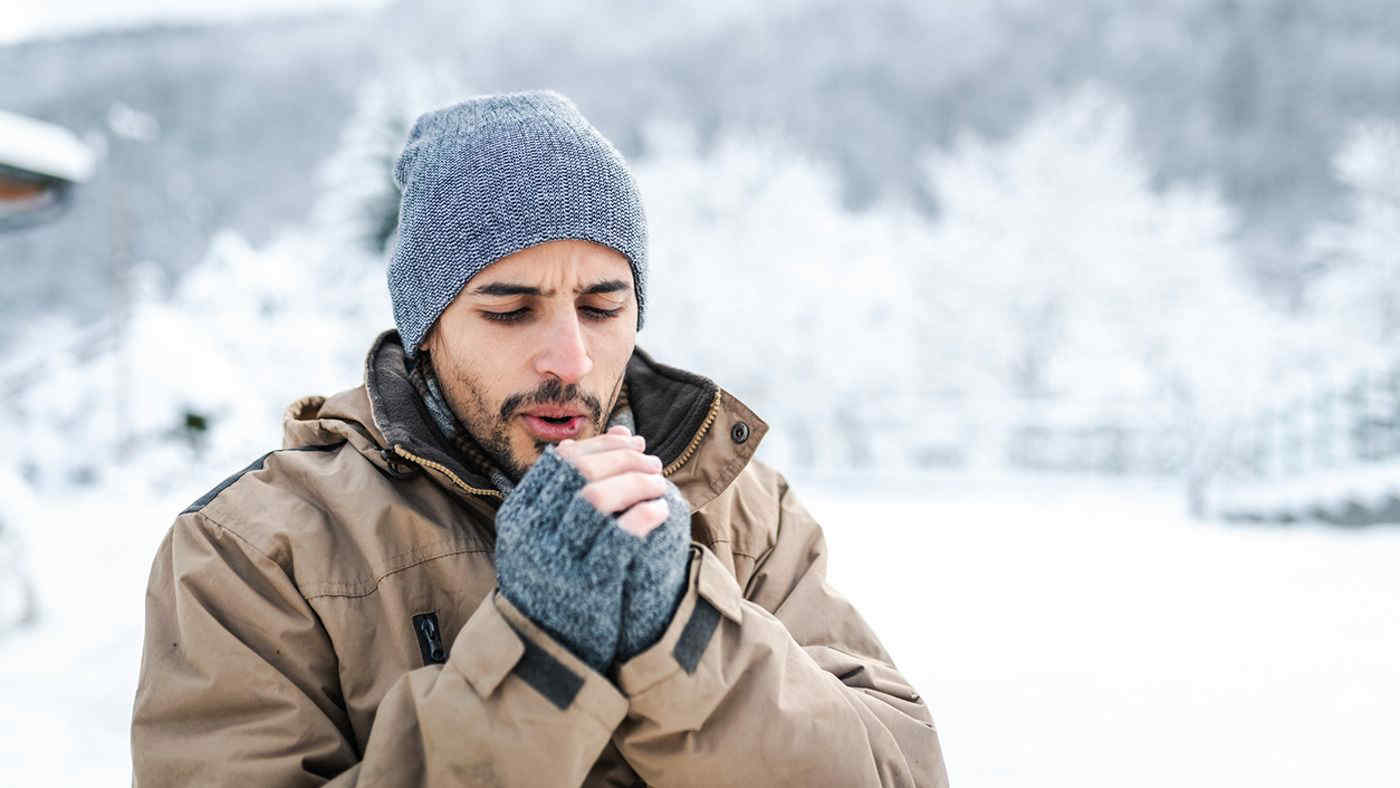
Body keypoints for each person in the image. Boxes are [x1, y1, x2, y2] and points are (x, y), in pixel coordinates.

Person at [131, 89, 949, 787]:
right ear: (428, 327)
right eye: (510, 309)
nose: (571, 358)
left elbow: (898, 768)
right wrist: (537, 655)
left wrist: (681, 631)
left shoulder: (740, 507)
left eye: (601, 307)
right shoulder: (251, 552)